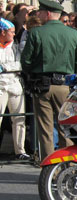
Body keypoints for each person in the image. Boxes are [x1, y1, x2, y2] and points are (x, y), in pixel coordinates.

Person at [21, 0, 77, 160]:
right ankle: (69, 167)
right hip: (65, 86)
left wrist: (33, 73)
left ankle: (50, 167)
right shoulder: (73, 33)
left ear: (48, 13)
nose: (38, 14)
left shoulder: (36, 33)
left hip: (42, 85)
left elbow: (26, 61)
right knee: (67, 128)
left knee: (45, 130)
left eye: (40, 12)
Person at [0, 18, 29, 160]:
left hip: (15, 86)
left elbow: (20, 64)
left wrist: (5, 67)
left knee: (19, 118)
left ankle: (20, 150)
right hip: (0, 86)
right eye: (11, 32)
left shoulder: (15, 46)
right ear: (3, 32)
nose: (13, 34)